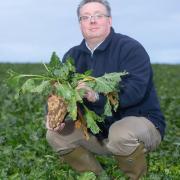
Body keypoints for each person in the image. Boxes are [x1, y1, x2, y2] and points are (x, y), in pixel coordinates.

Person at [46, 0, 166, 179]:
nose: (92, 21)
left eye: (98, 16)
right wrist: (56, 116)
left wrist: (96, 96)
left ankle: (135, 177)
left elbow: (135, 91)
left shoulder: (130, 48)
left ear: (109, 21)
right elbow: (59, 93)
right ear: (80, 24)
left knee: (120, 132)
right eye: (85, 17)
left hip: (141, 124)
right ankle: (98, 177)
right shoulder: (72, 56)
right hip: (98, 132)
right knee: (55, 135)